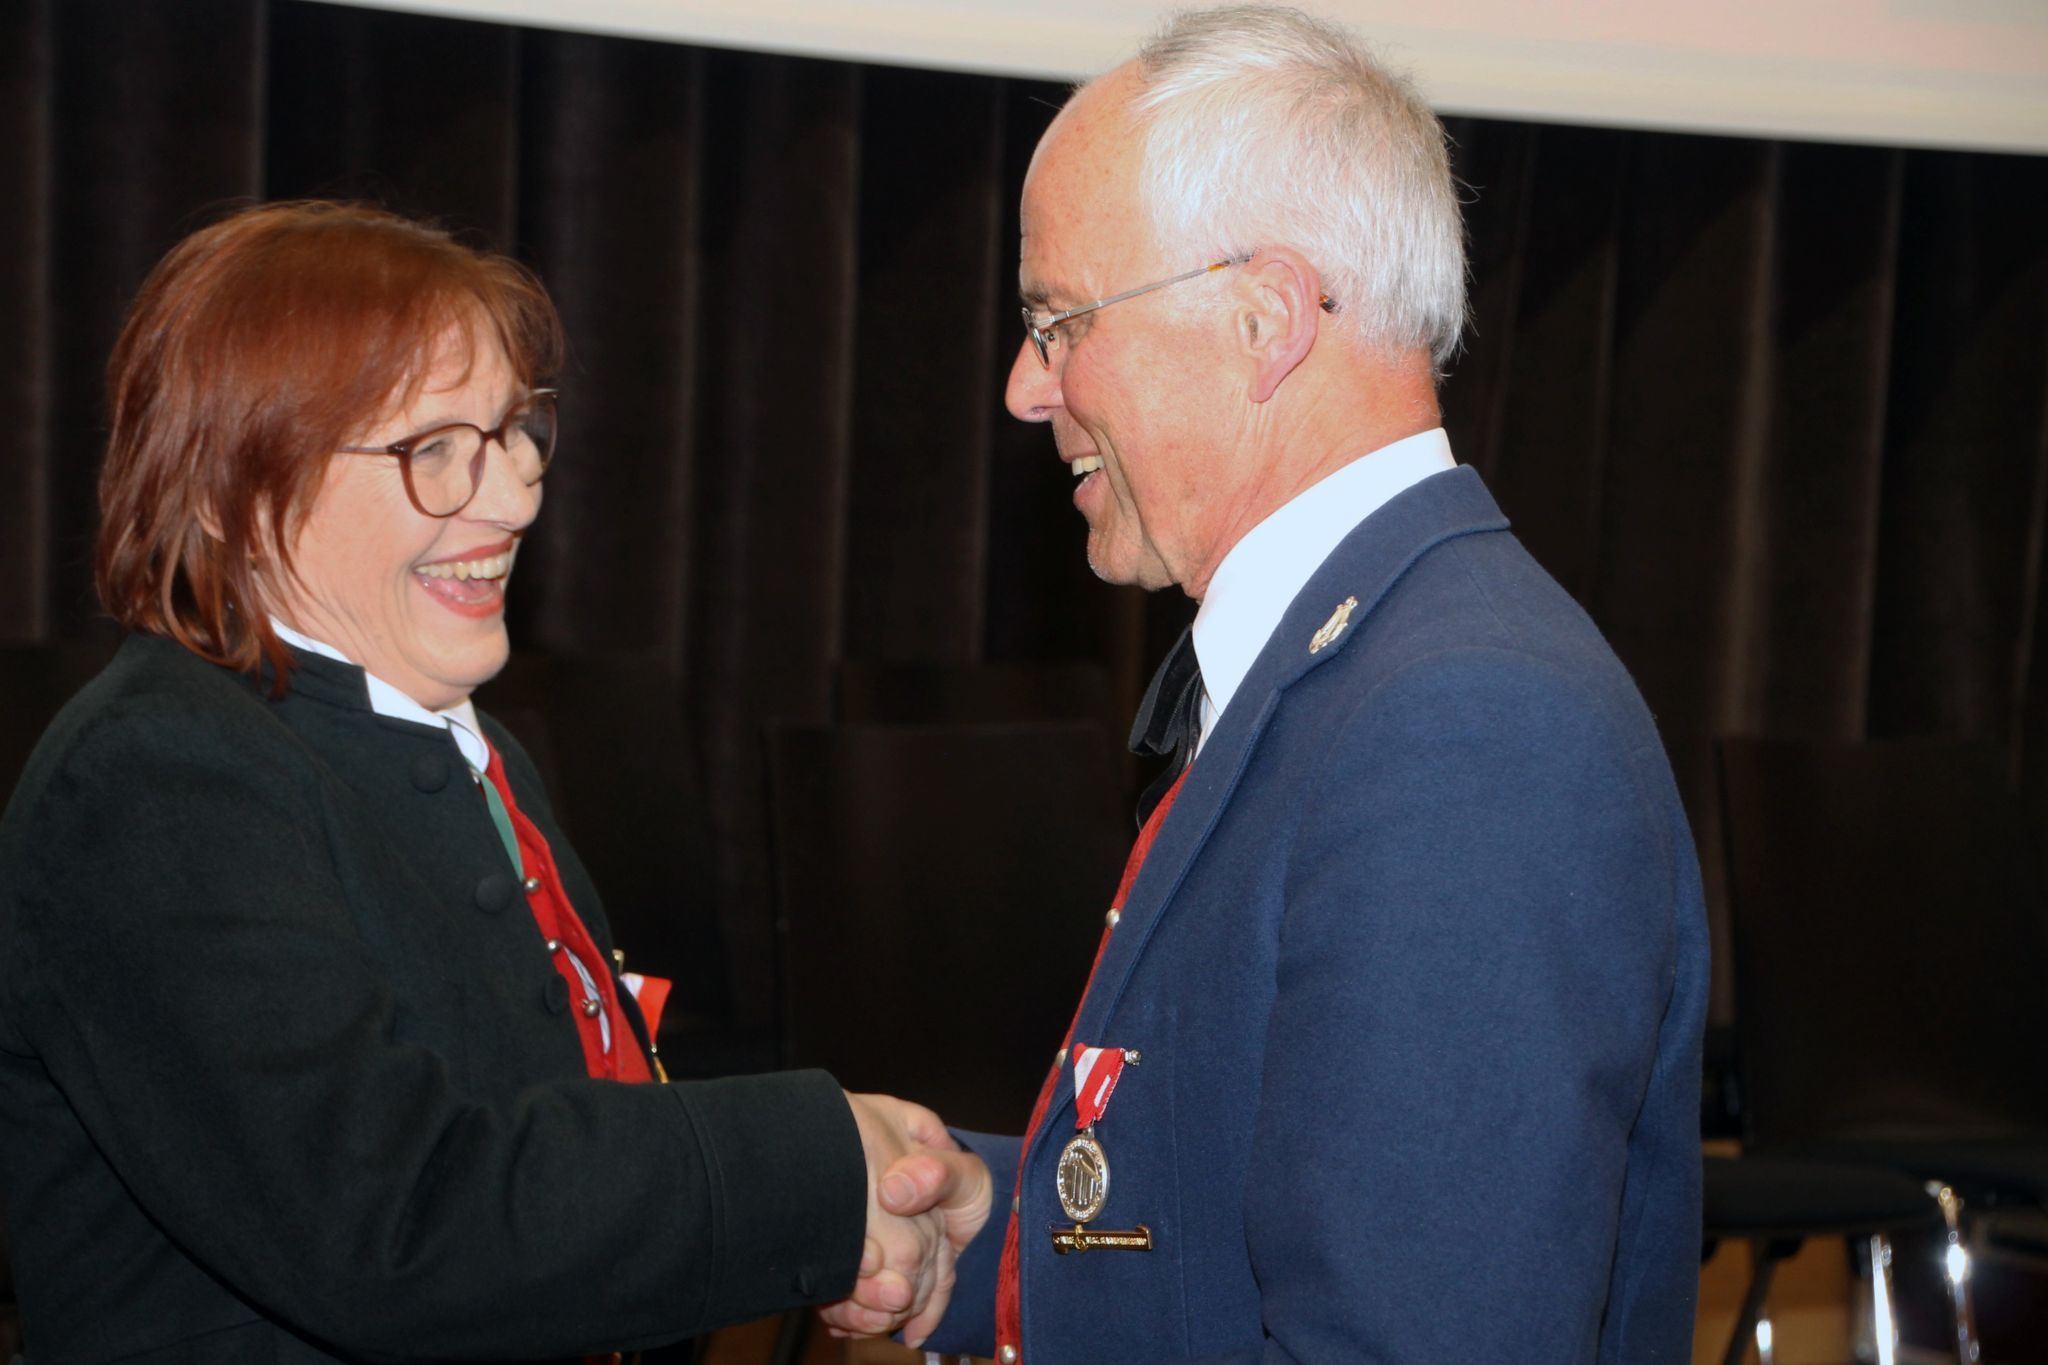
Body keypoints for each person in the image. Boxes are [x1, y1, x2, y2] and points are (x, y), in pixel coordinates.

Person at [828, 7, 1710, 1361]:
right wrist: (993, 1233)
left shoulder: (1468, 727)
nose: (1021, 387)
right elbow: (1249, 1205)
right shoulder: (1365, 664)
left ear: (1266, 317)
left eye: (1059, 321)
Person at [0, 201, 951, 1362]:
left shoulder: (460, 741)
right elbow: (395, 1226)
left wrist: (834, 1207)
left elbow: (561, 1147)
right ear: (226, 490)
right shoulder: (155, 784)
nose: (509, 497)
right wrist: (818, 1164)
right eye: (431, 450)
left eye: (511, 432)